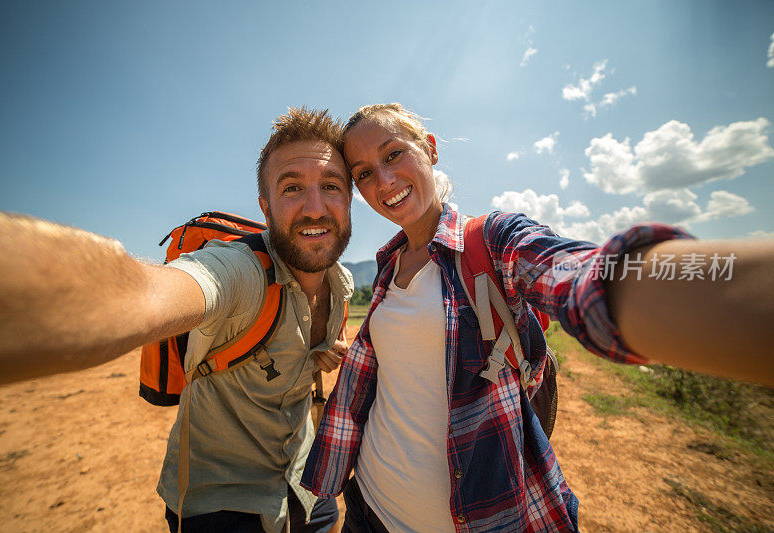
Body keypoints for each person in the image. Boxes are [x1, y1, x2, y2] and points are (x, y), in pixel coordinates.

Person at [300, 103, 774, 533]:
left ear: (430, 149)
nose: (383, 181)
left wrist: (719, 291)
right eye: (363, 173)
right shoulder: (387, 265)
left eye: (393, 154)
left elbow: (578, 273)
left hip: (485, 519)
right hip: (368, 508)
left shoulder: (493, 241)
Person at [0, 108, 355, 533]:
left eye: (331, 186)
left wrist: (325, 351)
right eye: (291, 188)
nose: (315, 207)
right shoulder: (240, 272)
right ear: (265, 207)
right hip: (222, 504)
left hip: (306, 489)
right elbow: (142, 293)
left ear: (349, 198)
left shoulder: (341, 282)